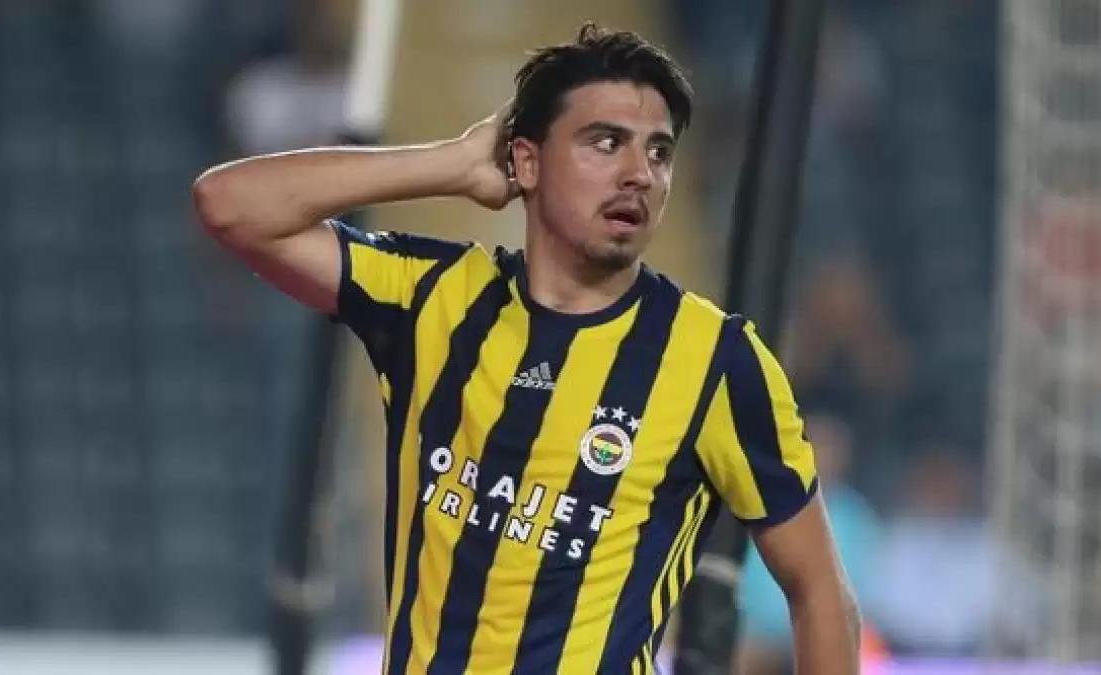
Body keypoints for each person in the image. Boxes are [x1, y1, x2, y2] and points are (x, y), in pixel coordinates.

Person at [193, 22, 860, 675]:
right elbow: (229, 205)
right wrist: (451, 164)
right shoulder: (433, 295)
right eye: (606, 143)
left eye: (659, 153)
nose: (639, 174)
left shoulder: (717, 360)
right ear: (526, 162)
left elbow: (821, 593)